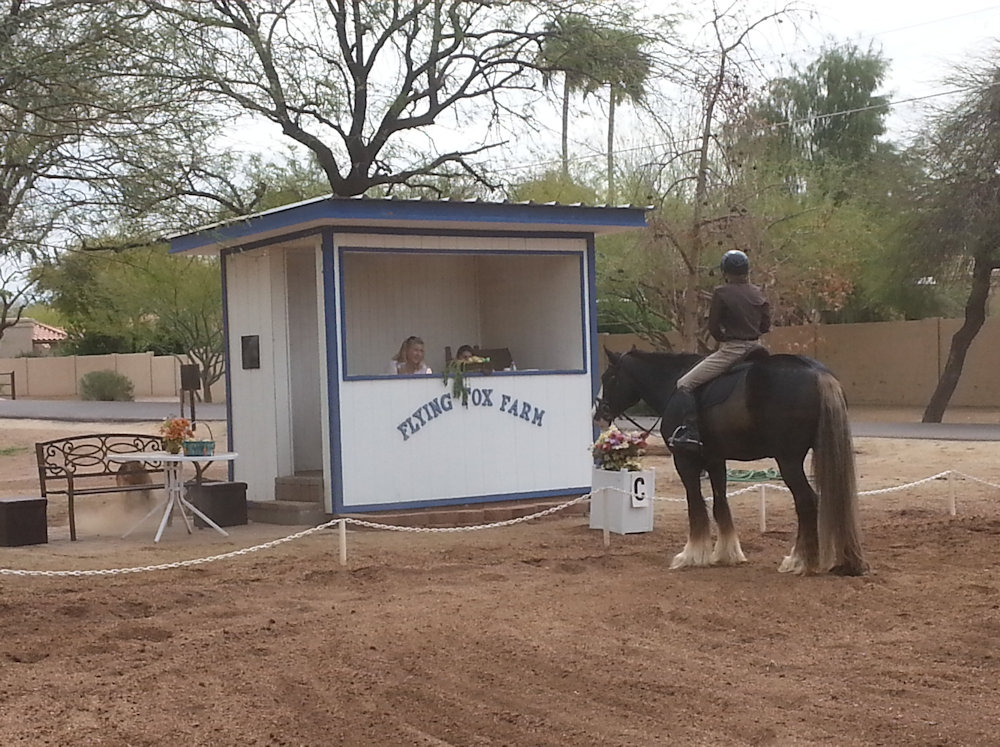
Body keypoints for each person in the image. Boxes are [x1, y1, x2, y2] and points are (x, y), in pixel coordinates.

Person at [665, 250, 771, 454]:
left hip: (733, 349)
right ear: (746, 270)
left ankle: (690, 431)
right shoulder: (758, 292)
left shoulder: (722, 293)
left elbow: (713, 327)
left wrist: (724, 338)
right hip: (758, 347)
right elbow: (766, 325)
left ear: (725, 271)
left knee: (684, 384)